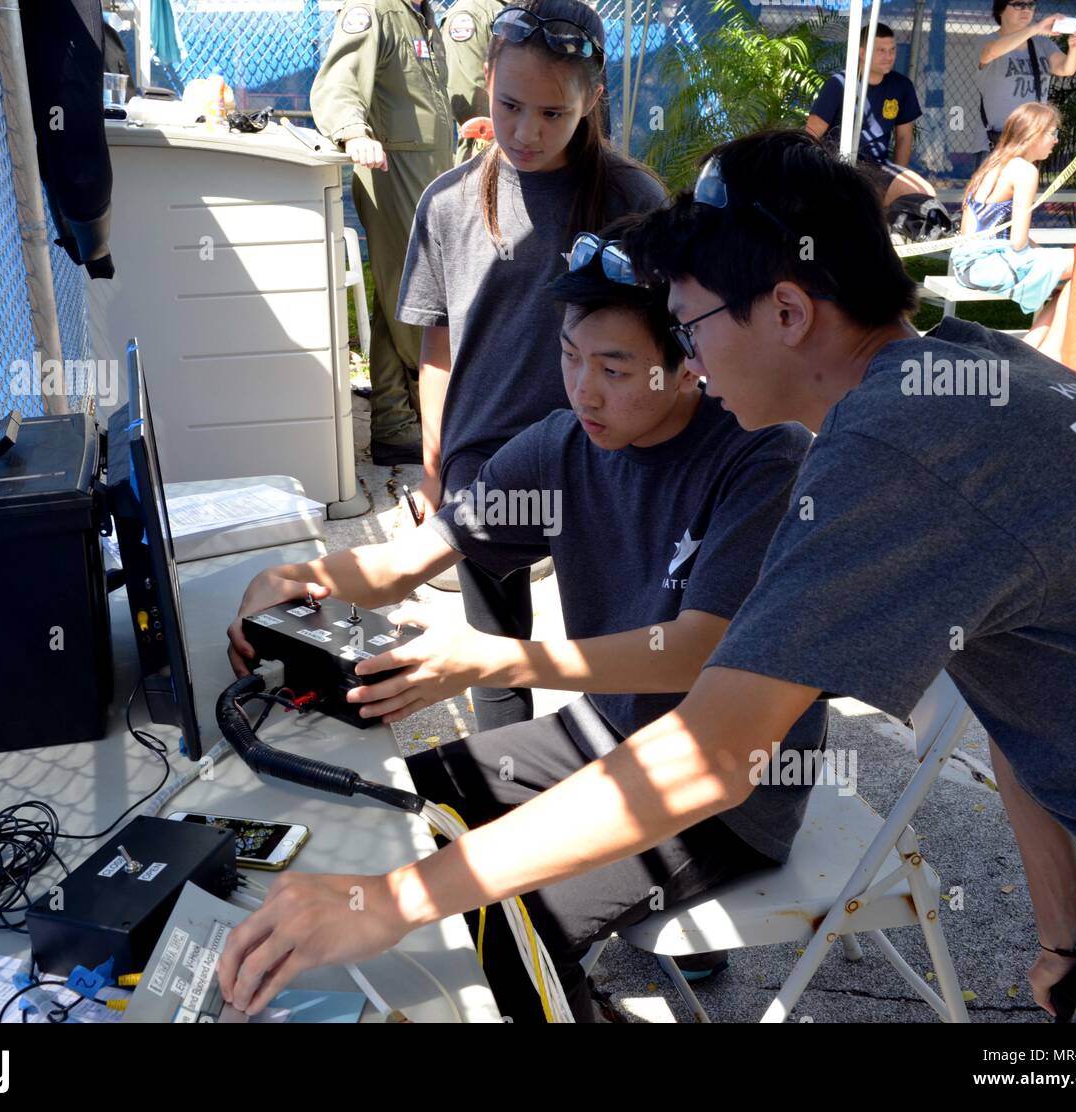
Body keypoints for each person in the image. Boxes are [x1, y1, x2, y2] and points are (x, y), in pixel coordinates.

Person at [217, 130, 1076, 1026]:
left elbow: (712, 752)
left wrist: (394, 898)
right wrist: (1065, 939)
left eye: (689, 325)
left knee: (466, 923)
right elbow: (1013, 700)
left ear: (788, 312)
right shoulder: (974, 369)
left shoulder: (883, 452)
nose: (691, 362)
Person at [224, 230, 826, 1021]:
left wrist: (495, 660)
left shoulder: (760, 455)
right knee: (392, 805)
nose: (584, 390)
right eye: (571, 356)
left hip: (725, 795)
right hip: (599, 732)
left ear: (689, 359)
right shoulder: (561, 447)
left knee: (501, 924)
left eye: (614, 369)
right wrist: (301, 578)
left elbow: (693, 651)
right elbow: (415, 556)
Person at [396, 0, 665, 734]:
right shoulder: (448, 203)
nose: (525, 131)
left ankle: (617, 798)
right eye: (509, 105)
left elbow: (670, 352)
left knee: (616, 653)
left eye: (552, 113)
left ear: (591, 102)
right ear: (486, 81)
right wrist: (436, 462)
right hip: (481, 466)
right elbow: (438, 347)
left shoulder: (631, 202)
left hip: (600, 465)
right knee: (491, 659)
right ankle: (502, 795)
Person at [310, 0, 456, 465]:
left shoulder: (420, 14)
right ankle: (430, 411)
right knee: (419, 294)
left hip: (424, 168)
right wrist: (353, 132)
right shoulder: (374, 9)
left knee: (396, 295)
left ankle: (395, 424)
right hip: (394, 168)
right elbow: (340, 79)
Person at [951, 103, 1074, 361]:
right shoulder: (1024, 170)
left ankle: (1031, 350)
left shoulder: (993, 163)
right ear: (1033, 134)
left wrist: (1047, 256)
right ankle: (1047, 353)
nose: (1055, 141)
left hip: (966, 265)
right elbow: (1018, 242)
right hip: (986, 267)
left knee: (1069, 270)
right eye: (1051, 133)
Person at [805, 21, 933, 206]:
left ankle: (887, 229)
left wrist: (898, 179)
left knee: (922, 193)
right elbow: (811, 133)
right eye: (881, 50)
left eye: (892, 50)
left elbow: (904, 138)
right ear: (863, 53)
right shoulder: (840, 83)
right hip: (837, 166)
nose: (888, 56)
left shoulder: (901, 86)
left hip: (877, 167)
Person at [977, 2, 1076, 150]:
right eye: (1018, 4)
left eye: (1030, 5)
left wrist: (1074, 48)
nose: (1026, 10)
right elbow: (991, 52)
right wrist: (1035, 29)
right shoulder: (987, 41)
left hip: (1032, 138)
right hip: (998, 141)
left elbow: (1065, 69)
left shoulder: (1041, 43)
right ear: (1000, 10)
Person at [441, 0, 509, 163]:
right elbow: (471, 98)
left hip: (512, 141)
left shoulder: (511, 9)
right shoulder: (470, 13)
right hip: (487, 147)